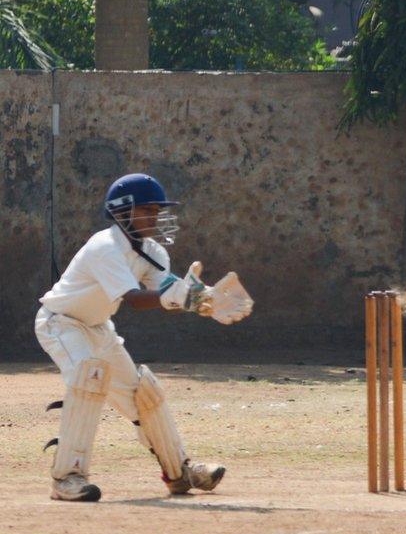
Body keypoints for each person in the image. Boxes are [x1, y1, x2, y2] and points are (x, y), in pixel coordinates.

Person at [35, 173, 252, 501]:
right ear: (122, 212)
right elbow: (136, 300)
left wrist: (201, 298)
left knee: (143, 393)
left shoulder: (152, 251)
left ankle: (180, 472)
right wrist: (182, 299)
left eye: (157, 211)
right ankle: (67, 478)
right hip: (61, 323)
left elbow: (165, 292)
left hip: (99, 328)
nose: (156, 217)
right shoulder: (105, 247)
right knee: (88, 377)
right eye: (147, 210)